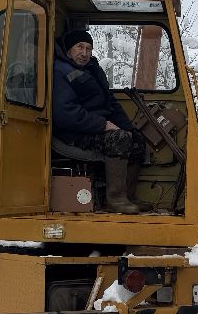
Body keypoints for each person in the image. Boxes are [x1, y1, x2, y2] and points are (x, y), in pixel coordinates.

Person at [52, 29, 147, 214]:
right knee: (118, 139)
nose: (85, 53)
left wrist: (127, 127)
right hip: (74, 134)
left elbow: (110, 102)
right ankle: (115, 199)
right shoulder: (60, 71)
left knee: (136, 140)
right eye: (79, 47)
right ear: (69, 49)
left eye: (88, 48)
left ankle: (128, 196)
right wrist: (102, 125)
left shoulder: (93, 69)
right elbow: (65, 113)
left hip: (94, 128)